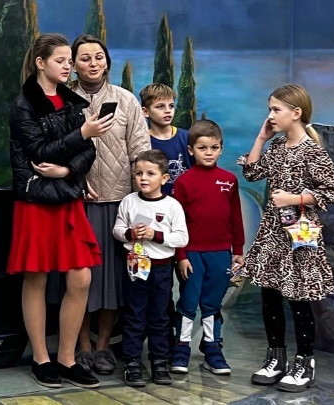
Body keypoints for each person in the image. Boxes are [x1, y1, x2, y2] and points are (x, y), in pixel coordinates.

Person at [7, 33, 111, 389]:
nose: (69, 67)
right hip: (36, 201)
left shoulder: (71, 101)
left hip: (67, 196)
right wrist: (82, 133)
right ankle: (41, 357)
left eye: (69, 61)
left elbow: (88, 152)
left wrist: (67, 170)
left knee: (81, 277)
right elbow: (38, 152)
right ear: (40, 62)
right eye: (61, 61)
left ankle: (67, 358)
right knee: (35, 276)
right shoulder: (23, 104)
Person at [240, 84, 334, 392]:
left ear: (296, 113)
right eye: (269, 109)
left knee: (298, 299)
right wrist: (261, 139)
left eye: (276, 110)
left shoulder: (313, 151)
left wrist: (294, 199)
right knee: (269, 295)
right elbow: (252, 173)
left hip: (299, 236)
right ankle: (276, 357)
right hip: (273, 234)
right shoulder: (277, 146)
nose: (271, 115)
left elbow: (332, 192)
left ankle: (304, 362)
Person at [65, 34, 151, 376]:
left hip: (118, 203)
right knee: (79, 278)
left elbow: (140, 151)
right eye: (84, 58)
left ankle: (103, 346)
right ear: (73, 64)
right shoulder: (63, 99)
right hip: (77, 202)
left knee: (112, 279)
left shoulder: (125, 99)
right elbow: (56, 147)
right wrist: (73, 181)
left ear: (107, 61)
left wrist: (139, 199)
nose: (93, 63)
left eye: (98, 57)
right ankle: (81, 346)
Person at [170, 119, 245, 376]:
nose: (209, 153)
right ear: (191, 150)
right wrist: (181, 255)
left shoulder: (229, 180)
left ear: (221, 149)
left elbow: (235, 217)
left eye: (214, 148)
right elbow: (176, 223)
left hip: (221, 254)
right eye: (202, 148)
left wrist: (238, 250)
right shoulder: (184, 182)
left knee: (212, 303)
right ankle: (181, 348)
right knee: (189, 302)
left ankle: (213, 349)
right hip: (191, 254)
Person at [112, 149, 188, 387]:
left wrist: (156, 235)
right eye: (139, 173)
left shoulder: (172, 206)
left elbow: (182, 238)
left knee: (160, 316)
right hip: (135, 266)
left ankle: (159, 362)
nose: (143, 178)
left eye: (150, 173)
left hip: (162, 269)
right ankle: (132, 363)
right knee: (134, 315)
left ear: (164, 178)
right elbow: (117, 230)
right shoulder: (129, 201)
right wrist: (129, 233)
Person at [140, 83, 192, 196]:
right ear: (145, 112)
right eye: (160, 106)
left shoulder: (187, 137)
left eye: (171, 106)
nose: (168, 111)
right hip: (155, 202)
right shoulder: (142, 141)